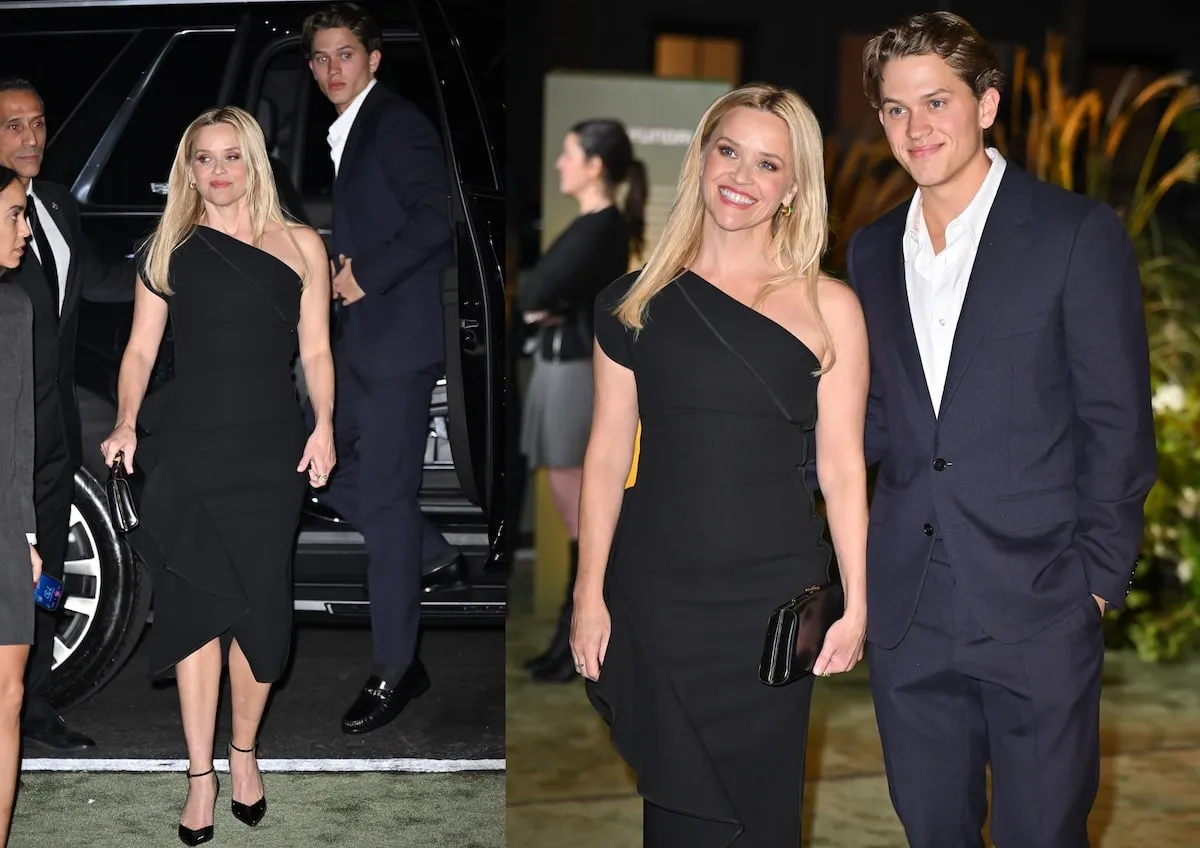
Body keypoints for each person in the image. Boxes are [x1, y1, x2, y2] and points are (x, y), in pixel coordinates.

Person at [850, 13, 1157, 846]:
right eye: (895, 109)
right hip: (910, 608)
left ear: (986, 104)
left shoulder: (1074, 234)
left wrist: (1095, 580)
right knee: (932, 832)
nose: (916, 128)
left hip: (1040, 602)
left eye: (936, 102)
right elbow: (871, 424)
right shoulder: (871, 253)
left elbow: (1118, 425)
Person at [572, 83, 870, 846]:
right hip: (656, 592)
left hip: (766, 605)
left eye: (769, 163)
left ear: (794, 186)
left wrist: (857, 601)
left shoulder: (829, 306)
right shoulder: (631, 300)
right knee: (678, 814)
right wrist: (587, 591)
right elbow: (606, 457)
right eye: (729, 150)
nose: (741, 175)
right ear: (702, 156)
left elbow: (842, 467)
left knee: (762, 816)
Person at [99, 106, 335, 845]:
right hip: (191, 450)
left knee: (262, 616)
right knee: (198, 610)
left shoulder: (301, 245)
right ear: (188, 167)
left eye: (233, 156)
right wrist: (126, 420)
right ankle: (200, 773)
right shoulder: (168, 248)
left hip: (269, 453)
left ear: (254, 161)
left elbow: (319, 353)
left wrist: (325, 424)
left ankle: (244, 753)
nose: (220, 170)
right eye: (204, 158)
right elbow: (139, 352)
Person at [302, 2, 455, 734]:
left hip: (394, 344)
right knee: (308, 464)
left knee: (387, 508)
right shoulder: (351, 130)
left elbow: (438, 216)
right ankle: (427, 549)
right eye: (322, 59)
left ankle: (397, 670)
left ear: (373, 59)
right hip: (358, 346)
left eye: (345, 55)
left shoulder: (395, 123)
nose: (333, 69)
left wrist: (367, 274)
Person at [0, 76, 130, 752]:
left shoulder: (53, 206)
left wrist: (185, 266)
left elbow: (106, 279)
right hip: (4, 437)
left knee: (45, 573)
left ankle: (35, 707)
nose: (31, 137)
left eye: (39, 122)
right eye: (13, 124)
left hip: (54, 435)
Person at [517, 119, 646, 682]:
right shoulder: (596, 226)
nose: (558, 164)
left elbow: (536, 292)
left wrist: (552, 309)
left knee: (579, 516)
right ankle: (570, 636)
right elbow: (538, 297)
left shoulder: (601, 227)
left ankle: (582, 636)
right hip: (561, 367)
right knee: (572, 513)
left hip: (571, 370)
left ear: (595, 165)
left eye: (568, 154)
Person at [0, 165, 37, 848]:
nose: (24, 228)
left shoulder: (15, 310)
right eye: (12, 214)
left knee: (7, 695)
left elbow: (18, 437)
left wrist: (27, 534)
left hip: (3, 532)